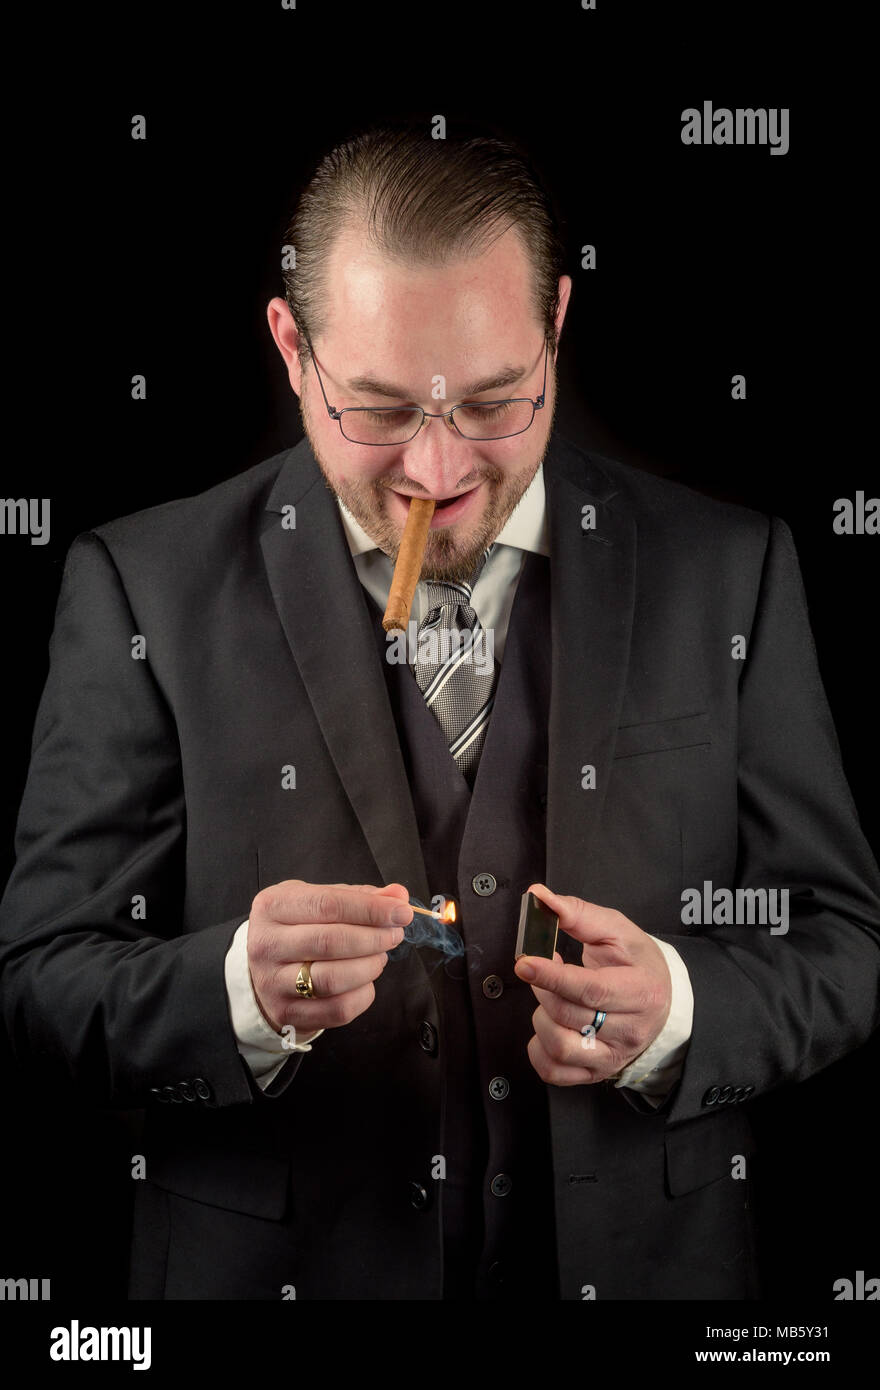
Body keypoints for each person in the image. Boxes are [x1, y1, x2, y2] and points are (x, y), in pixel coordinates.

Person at [1, 124, 878, 1301]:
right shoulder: (137, 585)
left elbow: (838, 939)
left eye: (492, 403)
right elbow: (45, 976)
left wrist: (678, 1009)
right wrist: (234, 995)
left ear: (557, 326)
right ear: (290, 349)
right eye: (375, 408)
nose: (433, 471)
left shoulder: (732, 570)